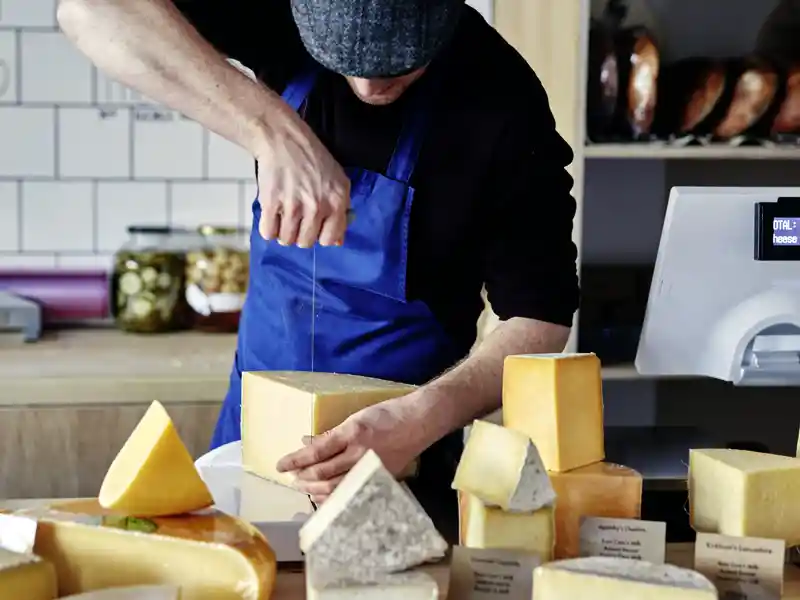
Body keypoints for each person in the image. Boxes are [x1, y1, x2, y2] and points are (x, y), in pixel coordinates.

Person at [58, 0, 579, 541]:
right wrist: (272, 129)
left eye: (401, 63)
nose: (371, 86)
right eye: (344, 60)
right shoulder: (280, 20)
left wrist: (418, 420)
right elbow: (88, 11)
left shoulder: (502, 102)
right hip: (245, 448)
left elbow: (539, 323)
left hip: (397, 470)